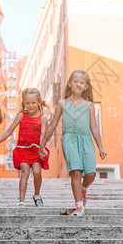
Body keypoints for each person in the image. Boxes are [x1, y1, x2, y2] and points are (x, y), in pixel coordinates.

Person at [39, 70, 106, 216]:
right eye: (75, 81)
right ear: (69, 83)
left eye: (82, 82)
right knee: (75, 172)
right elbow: (53, 123)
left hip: (86, 140)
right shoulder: (62, 103)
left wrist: (100, 146)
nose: (78, 84)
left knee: (90, 174)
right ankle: (79, 206)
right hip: (69, 140)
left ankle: (84, 189)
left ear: (86, 86)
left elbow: (94, 126)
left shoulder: (89, 105)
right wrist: (43, 143)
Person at [0, 88, 50, 207]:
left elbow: (43, 134)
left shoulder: (43, 118)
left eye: (33, 102)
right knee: (25, 172)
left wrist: (42, 148)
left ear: (39, 102)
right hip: (23, 149)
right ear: (23, 103)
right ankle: (21, 201)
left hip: (36, 150)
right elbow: (9, 130)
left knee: (37, 172)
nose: (30, 105)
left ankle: (37, 194)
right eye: (27, 103)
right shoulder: (21, 116)